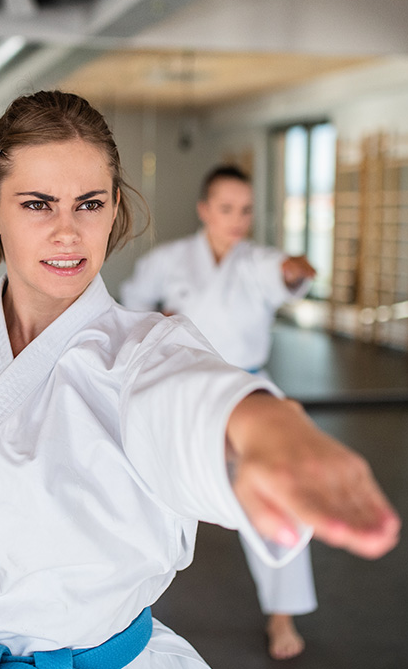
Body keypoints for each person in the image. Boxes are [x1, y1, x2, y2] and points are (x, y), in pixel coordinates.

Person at [0, 91, 400, 669]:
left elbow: (186, 397)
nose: (68, 232)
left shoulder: (145, 350)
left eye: (89, 204)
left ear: (113, 208)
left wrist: (261, 424)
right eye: (38, 204)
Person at [120, 165, 318, 659]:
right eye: (226, 208)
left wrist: (295, 268)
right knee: (137, 489)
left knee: (278, 493)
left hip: (247, 389)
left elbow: (283, 270)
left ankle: (282, 615)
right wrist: (155, 322)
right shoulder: (170, 260)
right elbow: (132, 305)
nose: (237, 219)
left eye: (246, 210)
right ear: (205, 209)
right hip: (183, 391)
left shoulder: (255, 261)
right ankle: (120, 606)